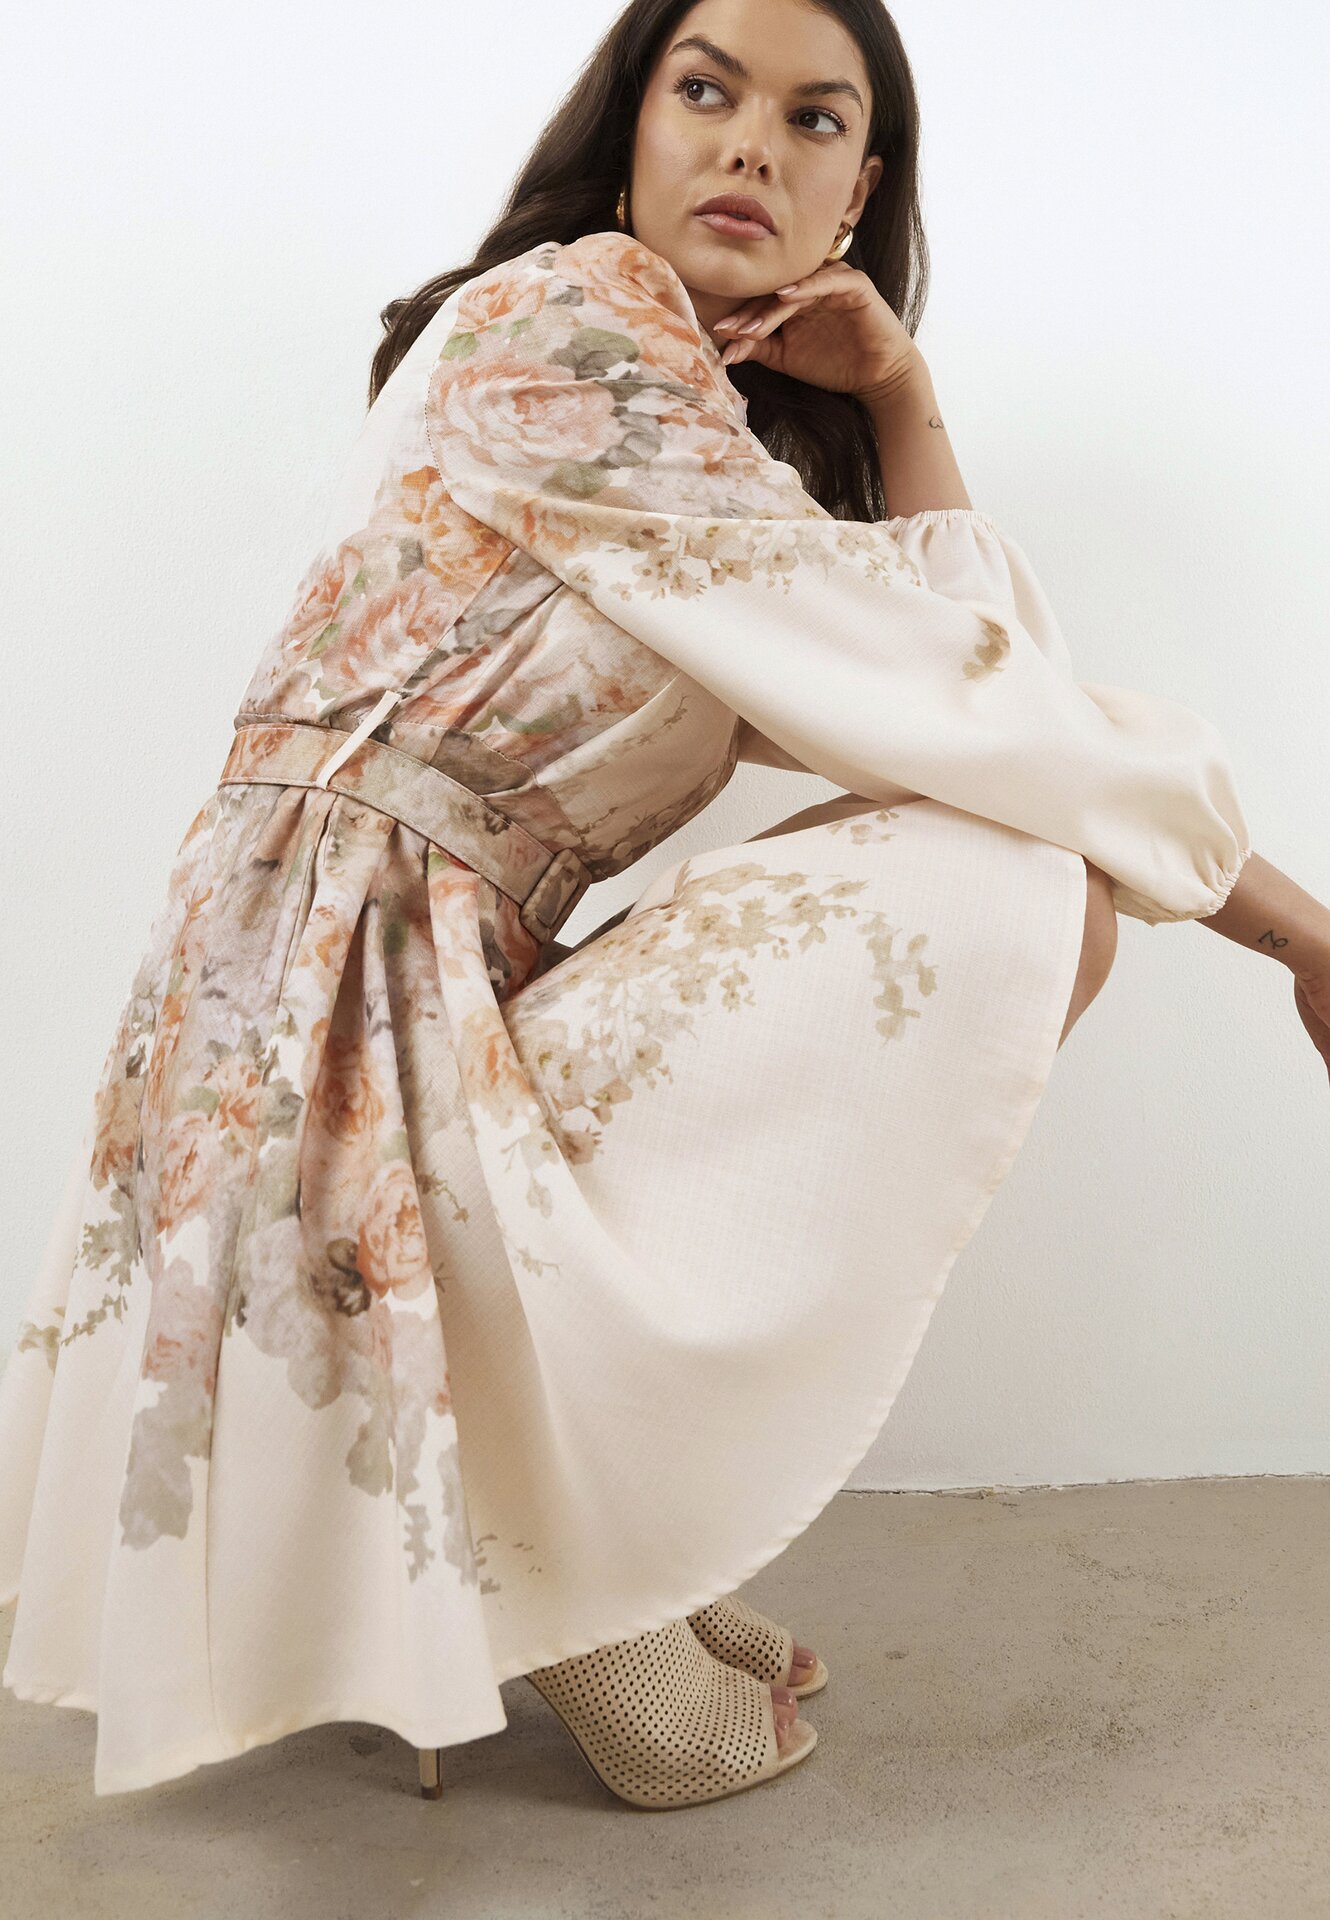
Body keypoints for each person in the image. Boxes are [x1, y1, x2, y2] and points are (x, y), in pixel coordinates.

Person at [3, 0, 1327, 1814]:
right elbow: (971, 699)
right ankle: (549, 1564)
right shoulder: (564, 325)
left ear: (858, 192)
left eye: (811, 120)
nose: (749, 144)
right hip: (325, 1034)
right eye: (705, 91)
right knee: (1023, 875)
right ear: (630, 126)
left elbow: (971, 701)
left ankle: (584, 1533)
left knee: (1015, 862)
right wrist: (1292, 931)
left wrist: (898, 395)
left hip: (429, 994)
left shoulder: (705, 450)